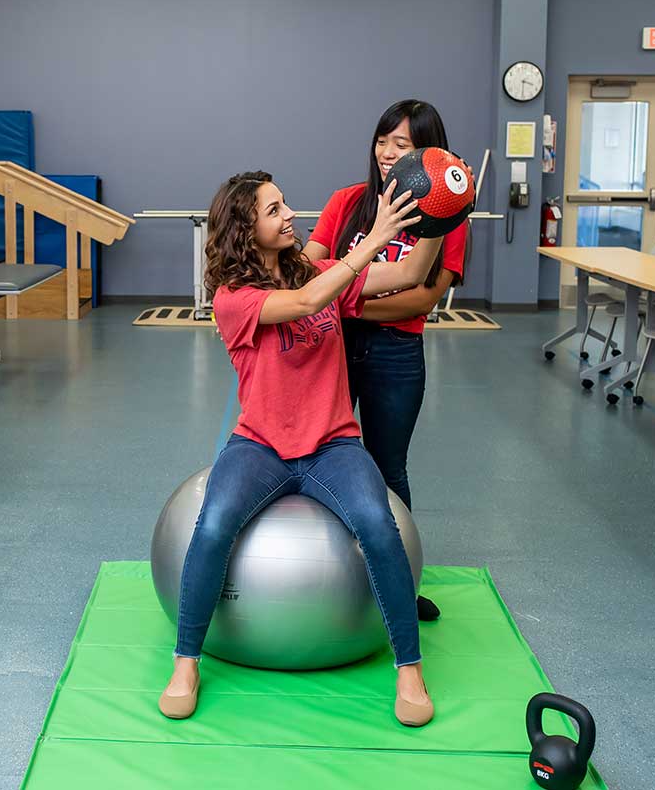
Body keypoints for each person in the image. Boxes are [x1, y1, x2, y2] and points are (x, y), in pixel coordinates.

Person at [160, 169, 456, 728]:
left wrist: (442, 212)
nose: (289, 214)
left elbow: (414, 270)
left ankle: (410, 670)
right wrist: (367, 244)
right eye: (274, 210)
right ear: (246, 230)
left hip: (333, 445)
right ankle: (186, 662)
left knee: (377, 522)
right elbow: (301, 303)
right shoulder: (234, 299)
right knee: (214, 522)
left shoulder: (322, 273)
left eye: (285, 203)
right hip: (261, 445)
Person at [304, 100, 471, 623]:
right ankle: (319, 575)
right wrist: (332, 296)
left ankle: (399, 581)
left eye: (403, 145)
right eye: (383, 140)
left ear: (429, 155)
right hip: (330, 346)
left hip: (396, 354)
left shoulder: (444, 216)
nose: (388, 153)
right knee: (317, 455)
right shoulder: (349, 201)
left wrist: (344, 297)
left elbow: (421, 300)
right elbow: (309, 265)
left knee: (386, 466)